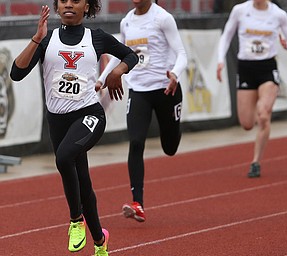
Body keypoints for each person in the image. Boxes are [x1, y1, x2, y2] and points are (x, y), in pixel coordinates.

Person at [10, 1, 138, 255]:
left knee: (64, 156)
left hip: (89, 114)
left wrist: (118, 72)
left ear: (87, 6)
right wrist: (37, 38)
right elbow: (16, 73)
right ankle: (101, 242)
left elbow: (131, 55)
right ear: (57, 7)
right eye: (64, 0)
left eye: (76, 0)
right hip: (57, 120)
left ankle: (75, 220)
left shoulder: (97, 37)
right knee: (83, 183)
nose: (69, 4)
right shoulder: (47, 40)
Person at [96, 0, 187, 222]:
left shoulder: (163, 18)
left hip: (166, 89)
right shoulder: (127, 21)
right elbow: (120, 54)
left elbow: (182, 53)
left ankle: (175, 128)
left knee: (170, 147)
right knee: (136, 142)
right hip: (139, 91)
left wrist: (175, 73)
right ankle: (138, 203)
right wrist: (101, 80)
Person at [216, 0, 287, 178]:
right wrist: (220, 60)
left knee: (263, 113)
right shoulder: (240, 10)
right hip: (246, 68)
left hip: (267, 68)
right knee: (246, 123)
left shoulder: (278, 14)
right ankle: (258, 110)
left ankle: (255, 161)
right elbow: (226, 36)